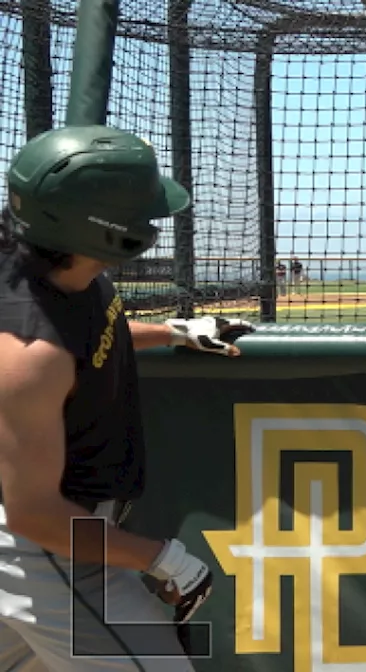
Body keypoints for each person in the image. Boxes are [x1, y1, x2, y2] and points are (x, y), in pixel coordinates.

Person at [0, 125, 255, 670]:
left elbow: (87, 335)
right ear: (105, 230)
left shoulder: (58, 269)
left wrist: (174, 332)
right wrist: (161, 558)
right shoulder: (28, 351)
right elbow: (34, 514)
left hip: (56, 537)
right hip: (51, 546)